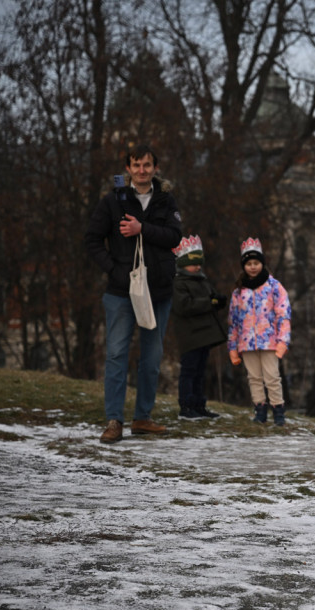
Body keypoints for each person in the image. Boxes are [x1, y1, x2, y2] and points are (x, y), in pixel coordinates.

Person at [84, 144, 182, 444]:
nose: (142, 170)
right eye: (136, 165)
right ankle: (114, 421)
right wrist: (115, 271)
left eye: (147, 165)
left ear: (155, 168)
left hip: (158, 291)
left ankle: (142, 418)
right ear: (128, 169)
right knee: (116, 355)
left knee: (151, 358)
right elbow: (92, 241)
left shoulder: (166, 201)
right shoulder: (113, 201)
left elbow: (174, 237)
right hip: (120, 292)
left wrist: (143, 228)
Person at [227, 238, 291, 426]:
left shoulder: (273, 286)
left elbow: (283, 313)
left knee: (272, 377)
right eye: (249, 264)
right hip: (247, 342)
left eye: (256, 263)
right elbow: (234, 321)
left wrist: (283, 341)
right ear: (244, 266)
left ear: (262, 264)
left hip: (270, 341)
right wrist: (232, 347)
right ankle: (260, 409)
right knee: (254, 377)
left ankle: (278, 409)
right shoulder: (239, 291)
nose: (253, 267)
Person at [170, 235, 227, 420]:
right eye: (193, 263)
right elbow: (184, 306)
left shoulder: (201, 280)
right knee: (189, 371)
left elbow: (209, 300)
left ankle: (199, 405)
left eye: (199, 263)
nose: (197, 267)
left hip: (204, 335)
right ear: (183, 263)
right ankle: (186, 406)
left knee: (201, 372)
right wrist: (210, 302)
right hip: (191, 336)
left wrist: (218, 301)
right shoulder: (179, 283)